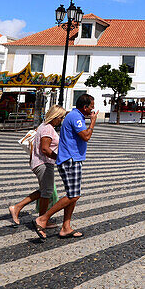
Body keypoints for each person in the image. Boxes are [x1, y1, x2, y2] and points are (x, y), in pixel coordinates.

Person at [35, 93, 96, 239]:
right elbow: (86, 136)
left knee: (73, 195)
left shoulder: (77, 116)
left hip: (72, 159)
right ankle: (43, 218)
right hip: (70, 159)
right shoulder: (76, 117)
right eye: (91, 107)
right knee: (73, 195)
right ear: (85, 107)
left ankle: (66, 227)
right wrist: (93, 121)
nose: (93, 110)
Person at [9, 104, 67, 227]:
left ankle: (21, 209)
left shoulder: (44, 126)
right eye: (61, 118)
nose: (61, 121)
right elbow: (45, 149)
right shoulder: (47, 128)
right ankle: (40, 220)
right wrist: (59, 158)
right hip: (43, 163)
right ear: (55, 116)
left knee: (45, 191)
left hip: (40, 162)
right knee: (47, 192)